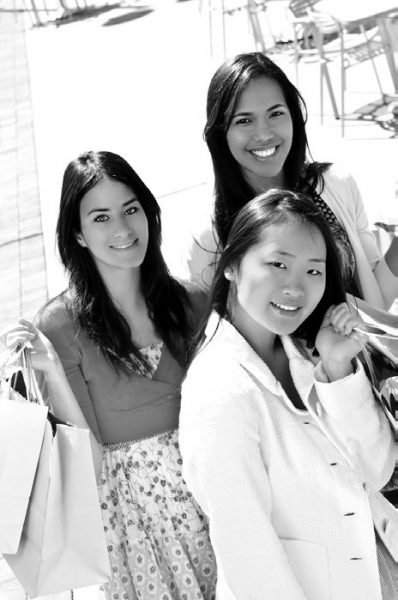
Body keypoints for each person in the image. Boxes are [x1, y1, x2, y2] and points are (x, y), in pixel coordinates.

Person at [4, 151, 217, 600]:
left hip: (217, 503)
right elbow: (91, 467)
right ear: (77, 235)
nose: (122, 229)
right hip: (136, 527)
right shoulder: (59, 327)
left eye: (131, 209)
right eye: (100, 217)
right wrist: (53, 375)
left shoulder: (193, 302)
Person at [179, 189, 397, 599]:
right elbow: (247, 552)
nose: (296, 287)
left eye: (314, 271)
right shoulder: (218, 391)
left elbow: (378, 469)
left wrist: (336, 370)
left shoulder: (305, 349)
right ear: (231, 265)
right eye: (277, 264)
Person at [185, 52, 398, 311]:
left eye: (275, 114)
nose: (263, 134)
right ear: (220, 133)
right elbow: (223, 335)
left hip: (367, 351)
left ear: (294, 117)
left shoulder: (337, 185)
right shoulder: (211, 238)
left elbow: (374, 305)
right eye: (244, 120)